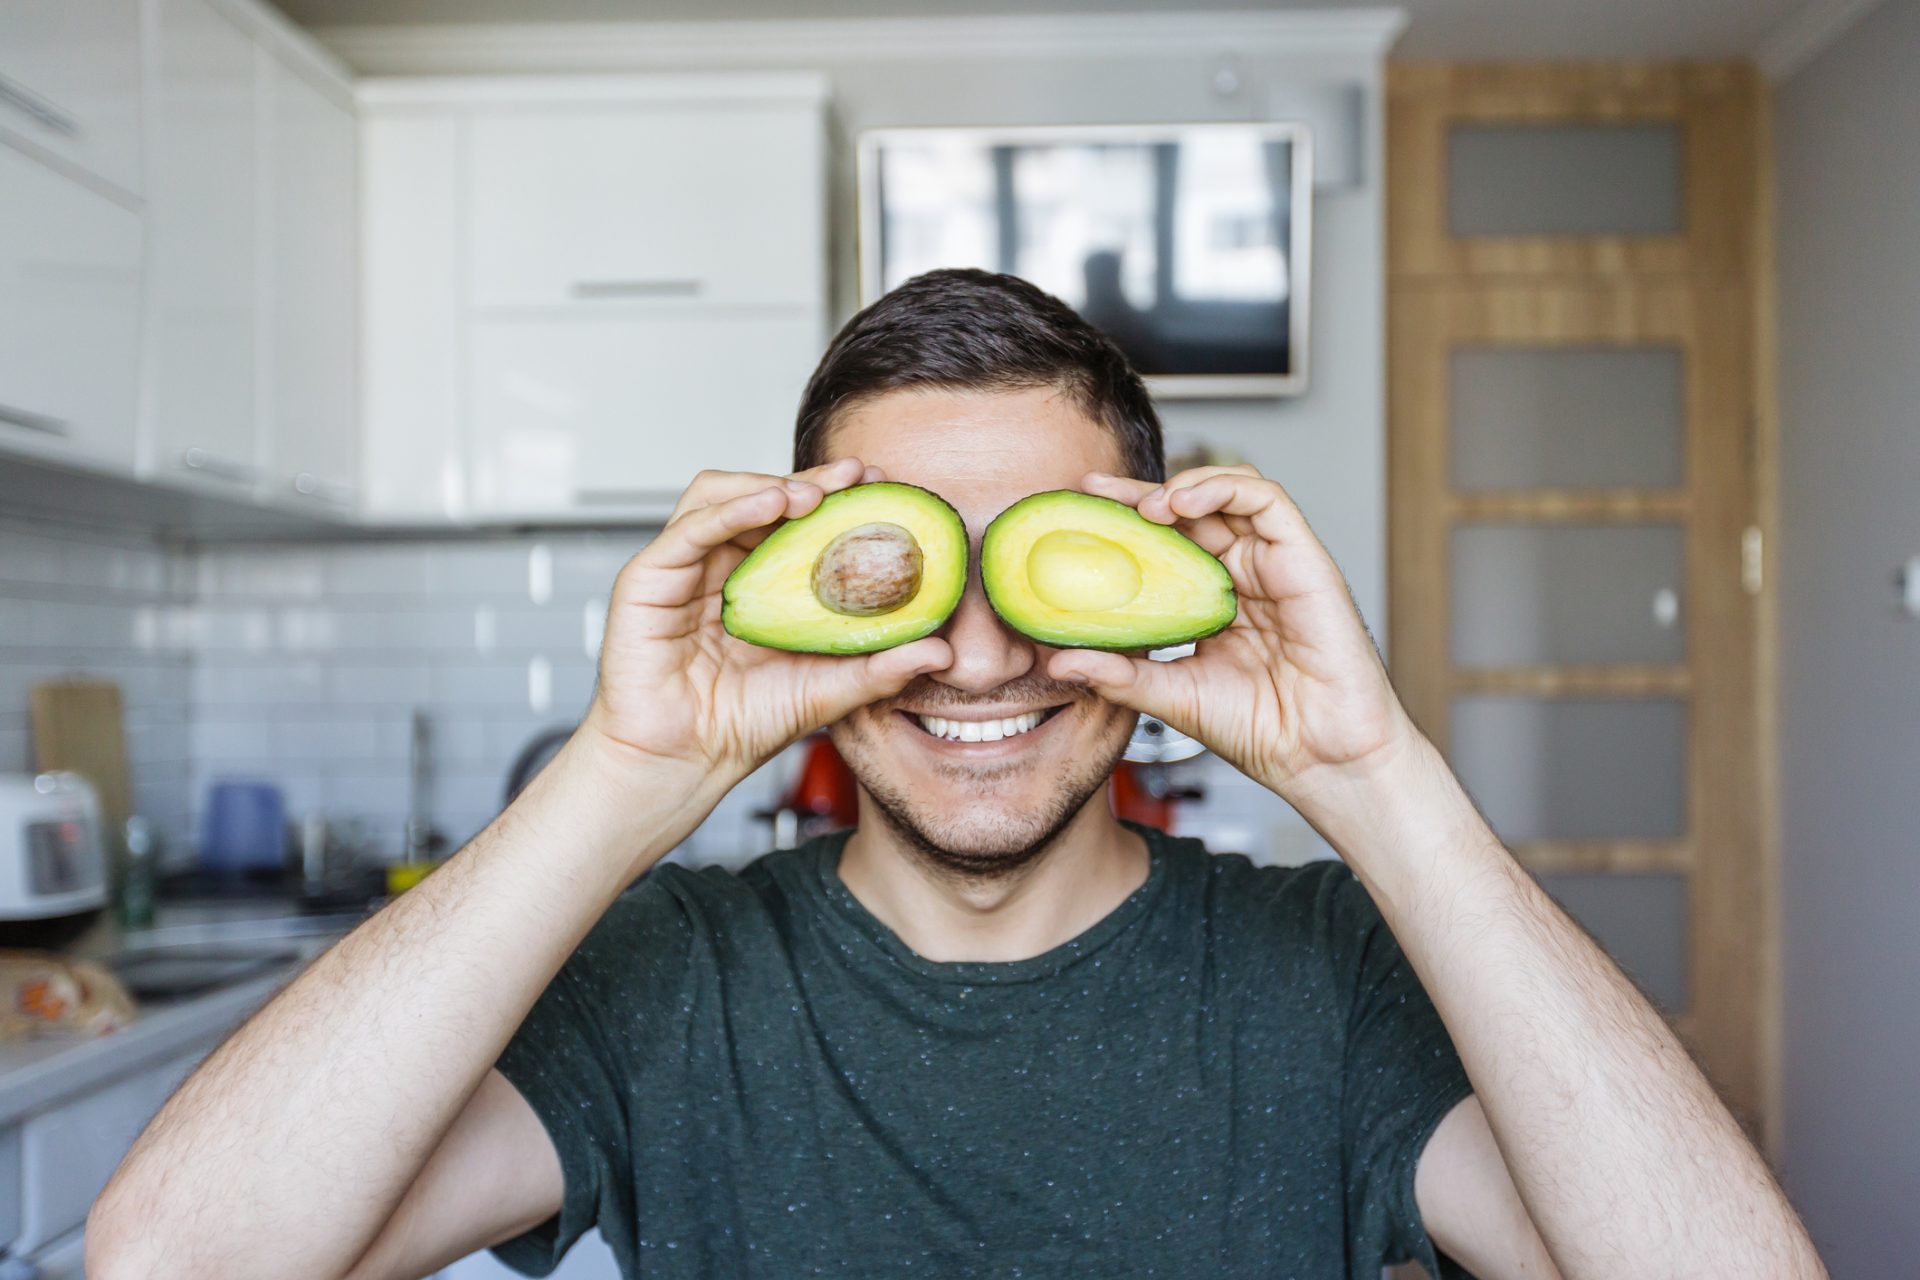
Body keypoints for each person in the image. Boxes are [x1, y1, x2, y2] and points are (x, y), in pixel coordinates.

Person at [87, 270, 1824, 1280]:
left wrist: (1373, 774)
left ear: (1154, 604)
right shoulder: (664, 980)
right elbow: (166, 1264)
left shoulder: (1333, 973)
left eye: (1043, 579)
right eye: (906, 583)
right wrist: (626, 770)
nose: (980, 660)